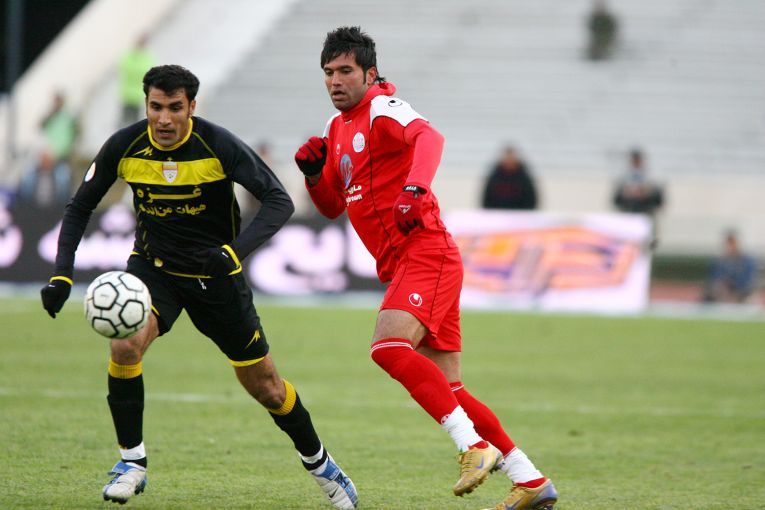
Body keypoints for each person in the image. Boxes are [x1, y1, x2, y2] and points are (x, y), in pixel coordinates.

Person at [40, 65, 357, 509]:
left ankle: (322, 465)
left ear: (192, 106)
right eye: (155, 107)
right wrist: (61, 273)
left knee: (266, 386)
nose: (164, 119)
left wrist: (233, 253)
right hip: (154, 270)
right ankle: (131, 463)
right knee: (125, 345)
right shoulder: (125, 145)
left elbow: (278, 200)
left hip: (215, 276)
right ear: (146, 104)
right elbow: (79, 207)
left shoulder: (217, 145)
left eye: (174, 108)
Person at [294, 27, 557, 510]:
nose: (335, 81)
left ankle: (472, 446)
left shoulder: (382, 108)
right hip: (408, 263)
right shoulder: (336, 129)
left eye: (346, 71)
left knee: (387, 347)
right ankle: (529, 479)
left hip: (425, 251)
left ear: (370, 74)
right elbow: (331, 206)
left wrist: (414, 189)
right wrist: (313, 174)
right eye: (328, 72)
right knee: (450, 388)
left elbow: (429, 137)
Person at [702, 230, 758, 303]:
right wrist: (721, 286)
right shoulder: (719, 261)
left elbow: (748, 281)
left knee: (750, 299)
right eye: (728, 244)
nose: (730, 247)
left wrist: (734, 286)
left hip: (741, 293)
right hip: (722, 293)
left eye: (732, 244)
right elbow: (714, 278)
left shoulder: (747, 262)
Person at [482, 146, 538, 210]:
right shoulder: (495, 177)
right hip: (498, 213)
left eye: (511, 158)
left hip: (519, 213)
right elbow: (487, 198)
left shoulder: (524, 178)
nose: (509, 160)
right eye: (507, 158)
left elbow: (530, 198)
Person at [612, 148, 664, 216]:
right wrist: (629, 192)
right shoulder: (624, 175)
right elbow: (618, 197)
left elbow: (656, 192)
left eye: (638, 160)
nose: (636, 162)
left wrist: (645, 192)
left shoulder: (651, 174)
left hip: (646, 204)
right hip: (629, 205)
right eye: (634, 160)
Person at [118, 35, 156, 125]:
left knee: (124, 122)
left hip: (127, 95)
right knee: (134, 123)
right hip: (137, 96)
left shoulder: (128, 57)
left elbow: (121, 67)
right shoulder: (147, 60)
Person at [40, 91, 78, 166]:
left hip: (65, 155)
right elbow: (41, 125)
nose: (56, 104)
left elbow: (75, 132)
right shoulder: (51, 117)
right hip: (51, 156)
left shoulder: (68, 116)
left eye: (58, 101)